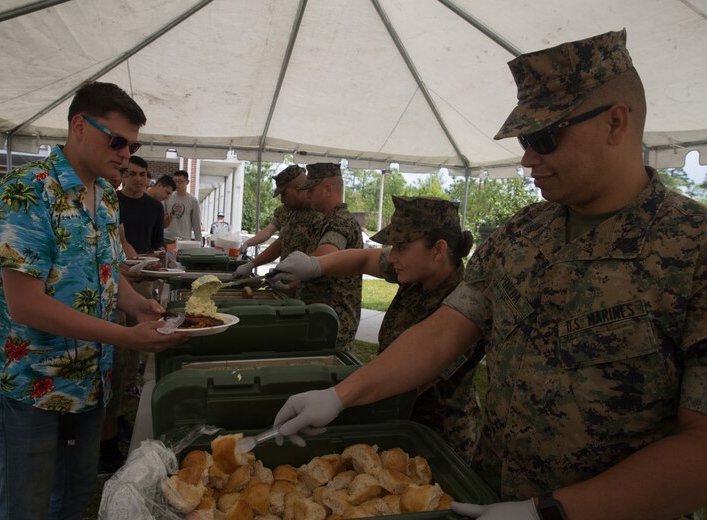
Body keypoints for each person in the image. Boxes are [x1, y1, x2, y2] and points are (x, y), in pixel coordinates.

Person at [272, 30, 707, 520]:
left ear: (615, 123)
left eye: (544, 137)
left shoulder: (694, 249)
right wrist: (340, 395)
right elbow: (442, 333)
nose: (527, 158)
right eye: (524, 140)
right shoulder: (522, 233)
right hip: (487, 491)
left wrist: (552, 512)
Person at [0, 81, 191, 520]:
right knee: (26, 509)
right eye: (117, 141)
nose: (125, 155)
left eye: (131, 146)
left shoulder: (106, 197)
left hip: (89, 382)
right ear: (78, 126)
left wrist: (137, 305)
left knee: (72, 502)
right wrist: (125, 335)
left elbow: (110, 274)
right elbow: (26, 305)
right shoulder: (27, 190)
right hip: (28, 385)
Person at [270, 196, 482, 461]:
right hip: (394, 419)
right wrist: (317, 266)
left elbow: (405, 380)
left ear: (438, 250)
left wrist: (337, 398)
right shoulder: (419, 270)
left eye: (401, 247)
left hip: (436, 439)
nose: (391, 256)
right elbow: (364, 258)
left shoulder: (466, 307)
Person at [295, 163, 363, 350]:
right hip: (321, 317)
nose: (307, 196)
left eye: (311, 190)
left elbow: (326, 254)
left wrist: (293, 269)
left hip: (334, 322)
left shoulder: (341, 221)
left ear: (327, 189)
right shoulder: (325, 221)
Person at [232, 164, 323, 274]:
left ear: (299, 188)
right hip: (288, 282)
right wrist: (252, 263)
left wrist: (293, 281)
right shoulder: (290, 211)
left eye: (284, 194)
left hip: (306, 283)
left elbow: (323, 256)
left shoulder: (321, 212)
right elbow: (279, 243)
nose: (282, 200)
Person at [117, 156, 165, 254]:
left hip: (145, 263)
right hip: (115, 262)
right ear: (123, 175)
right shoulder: (111, 201)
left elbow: (158, 241)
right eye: (132, 174)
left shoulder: (156, 206)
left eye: (143, 174)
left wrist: (161, 250)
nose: (138, 179)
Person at [163, 169, 201, 242]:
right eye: (175, 181)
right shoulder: (167, 197)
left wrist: (199, 243)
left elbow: (196, 223)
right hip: (167, 237)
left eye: (180, 181)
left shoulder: (193, 200)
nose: (177, 184)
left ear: (187, 182)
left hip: (184, 239)